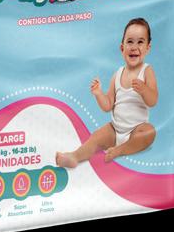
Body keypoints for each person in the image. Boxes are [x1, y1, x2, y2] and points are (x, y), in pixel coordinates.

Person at [56, 18, 157, 167]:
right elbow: (108, 105)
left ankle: (120, 150)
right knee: (96, 136)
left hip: (137, 129)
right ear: (122, 48)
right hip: (115, 130)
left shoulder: (147, 71)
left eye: (140, 42)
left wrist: (144, 90)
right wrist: (99, 94)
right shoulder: (117, 75)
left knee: (149, 132)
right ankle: (74, 156)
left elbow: (153, 100)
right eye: (130, 42)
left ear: (148, 48)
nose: (134, 47)